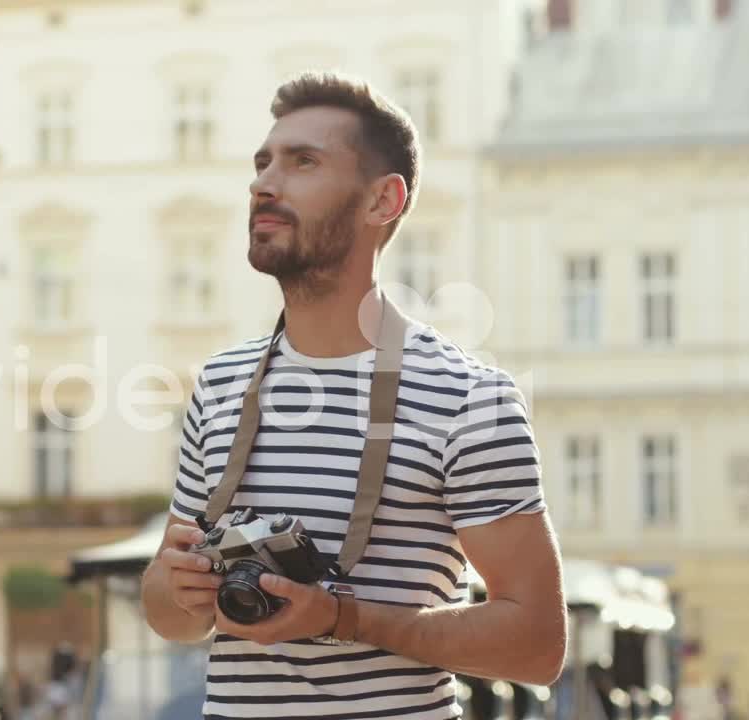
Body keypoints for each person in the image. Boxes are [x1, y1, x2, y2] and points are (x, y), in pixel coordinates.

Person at [140, 71, 567, 719]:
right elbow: (172, 618)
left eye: (303, 161)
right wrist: (178, 589)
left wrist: (343, 617)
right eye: (262, 163)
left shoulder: (468, 397)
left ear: (382, 201)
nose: (263, 183)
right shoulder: (221, 383)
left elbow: (538, 645)